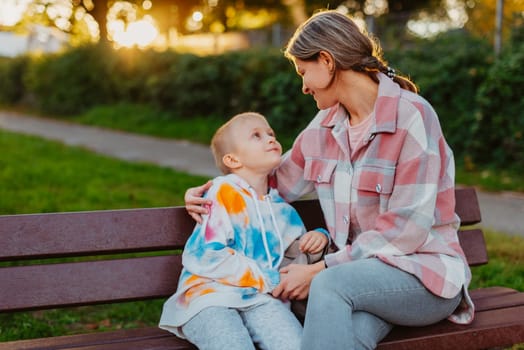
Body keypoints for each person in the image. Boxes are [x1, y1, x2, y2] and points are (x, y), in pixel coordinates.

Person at [183, 10, 475, 350]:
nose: (303, 86)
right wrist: (217, 190)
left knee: (327, 287)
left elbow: (405, 230)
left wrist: (322, 267)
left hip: (423, 277)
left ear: (327, 61)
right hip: (359, 283)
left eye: (304, 72)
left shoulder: (412, 117)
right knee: (347, 338)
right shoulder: (324, 128)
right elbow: (270, 181)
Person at [159, 112, 329, 350]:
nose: (270, 139)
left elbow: (293, 258)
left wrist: (320, 236)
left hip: (260, 299)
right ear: (233, 160)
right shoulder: (223, 192)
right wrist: (268, 279)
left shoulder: (282, 209)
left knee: (295, 345)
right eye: (256, 136)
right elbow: (207, 254)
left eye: (271, 134)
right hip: (209, 297)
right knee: (232, 344)